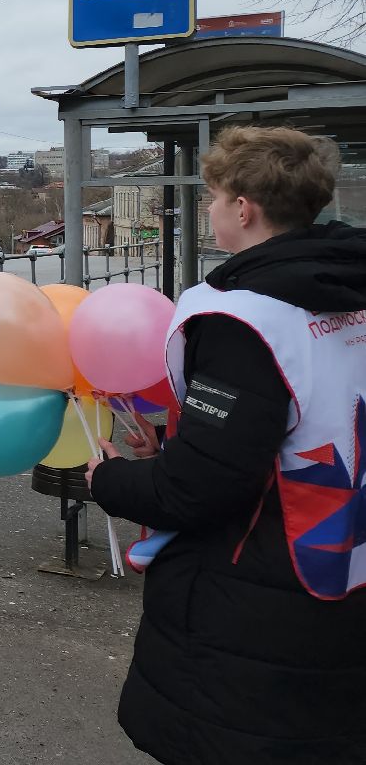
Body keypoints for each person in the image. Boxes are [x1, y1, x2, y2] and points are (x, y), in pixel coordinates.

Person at [86, 126, 366, 764]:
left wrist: (107, 480)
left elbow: (196, 490)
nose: (208, 211)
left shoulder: (246, 318)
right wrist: (179, 440)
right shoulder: (346, 291)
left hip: (260, 600)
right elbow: (300, 416)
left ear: (245, 208)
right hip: (346, 566)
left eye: (213, 198)